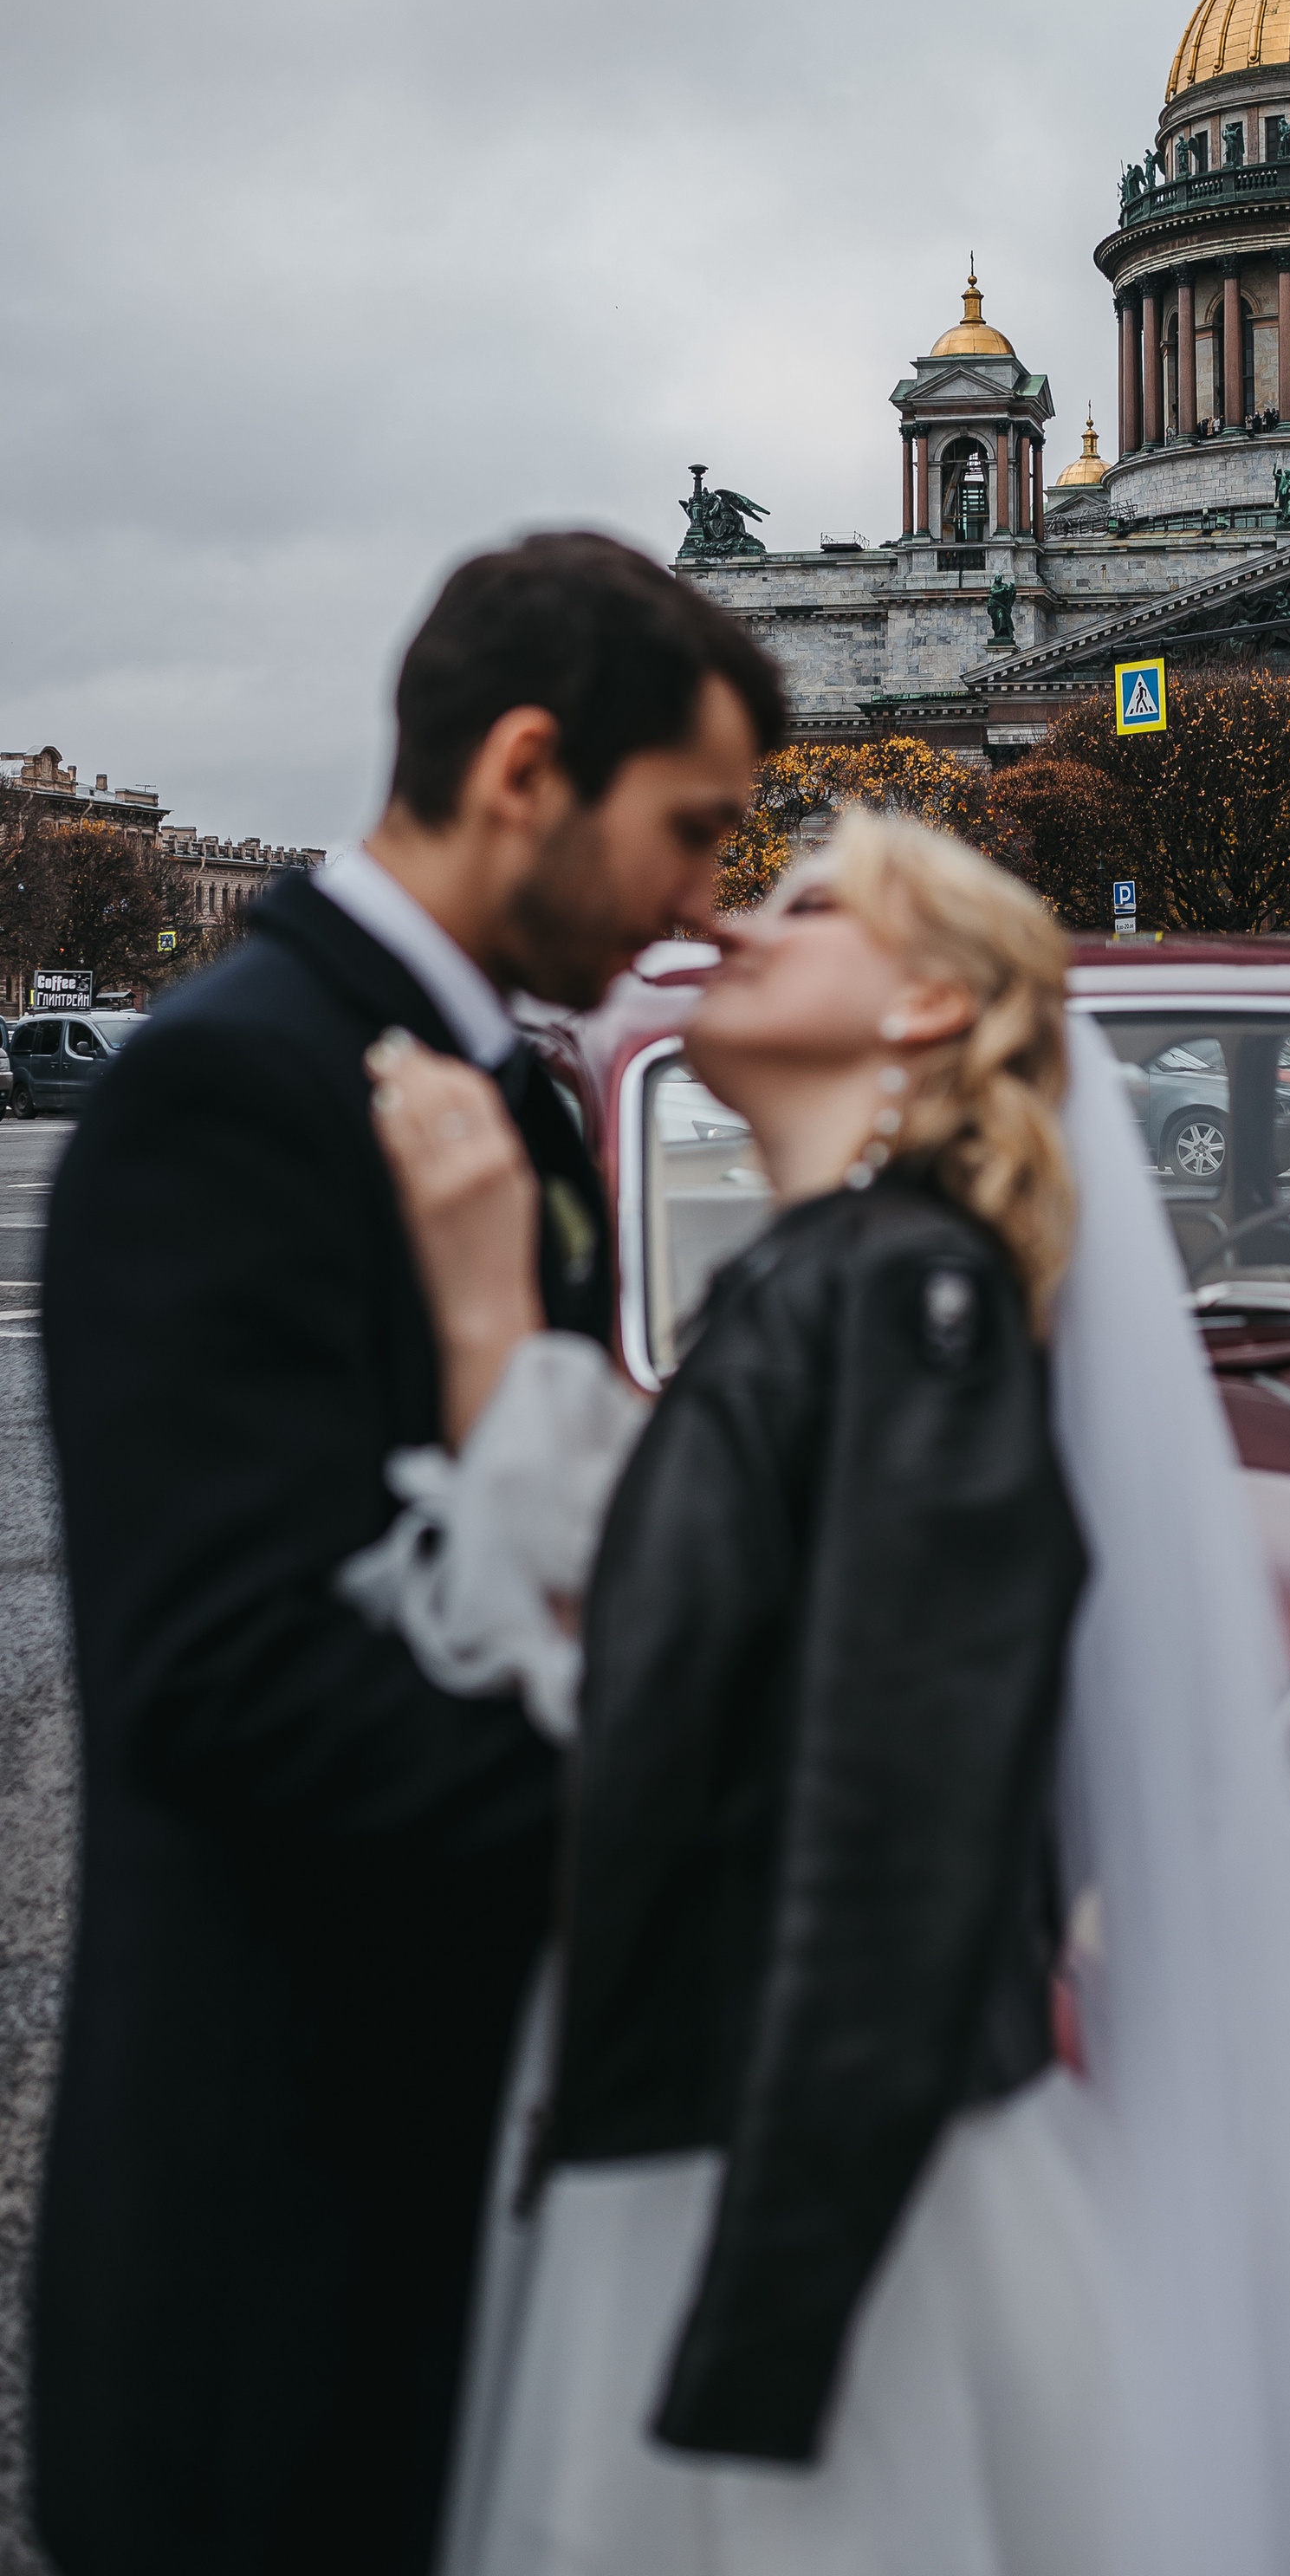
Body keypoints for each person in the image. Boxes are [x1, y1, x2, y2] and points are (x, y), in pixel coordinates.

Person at [349, 811, 1290, 2576]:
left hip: (825, 2198)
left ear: (929, 1006)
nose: (739, 925)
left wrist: (765, 2331)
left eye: (808, 907)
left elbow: (894, 1838)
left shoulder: (903, 1296)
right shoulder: (833, 1279)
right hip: (750, 2139)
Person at [32, 530, 786, 2576]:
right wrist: (699, 1832)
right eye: (690, 830)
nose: (704, 902)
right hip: (280, 2260)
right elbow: (228, 1687)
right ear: (526, 771)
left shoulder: (486, 1088)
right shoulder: (232, 1087)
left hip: (460, 2206)